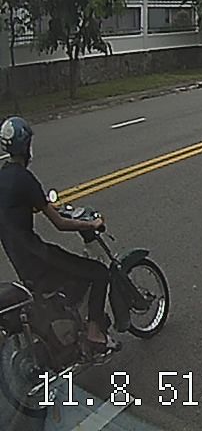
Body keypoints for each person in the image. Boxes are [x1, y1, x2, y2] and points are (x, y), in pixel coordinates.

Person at [0, 116, 116, 353]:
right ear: (26, 145)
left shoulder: (4, 176)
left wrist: (39, 206)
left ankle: (72, 328)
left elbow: (18, 207)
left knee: (74, 274)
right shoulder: (25, 179)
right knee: (98, 272)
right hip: (38, 256)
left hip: (20, 259)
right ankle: (94, 333)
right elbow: (60, 224)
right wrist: (90, 224)